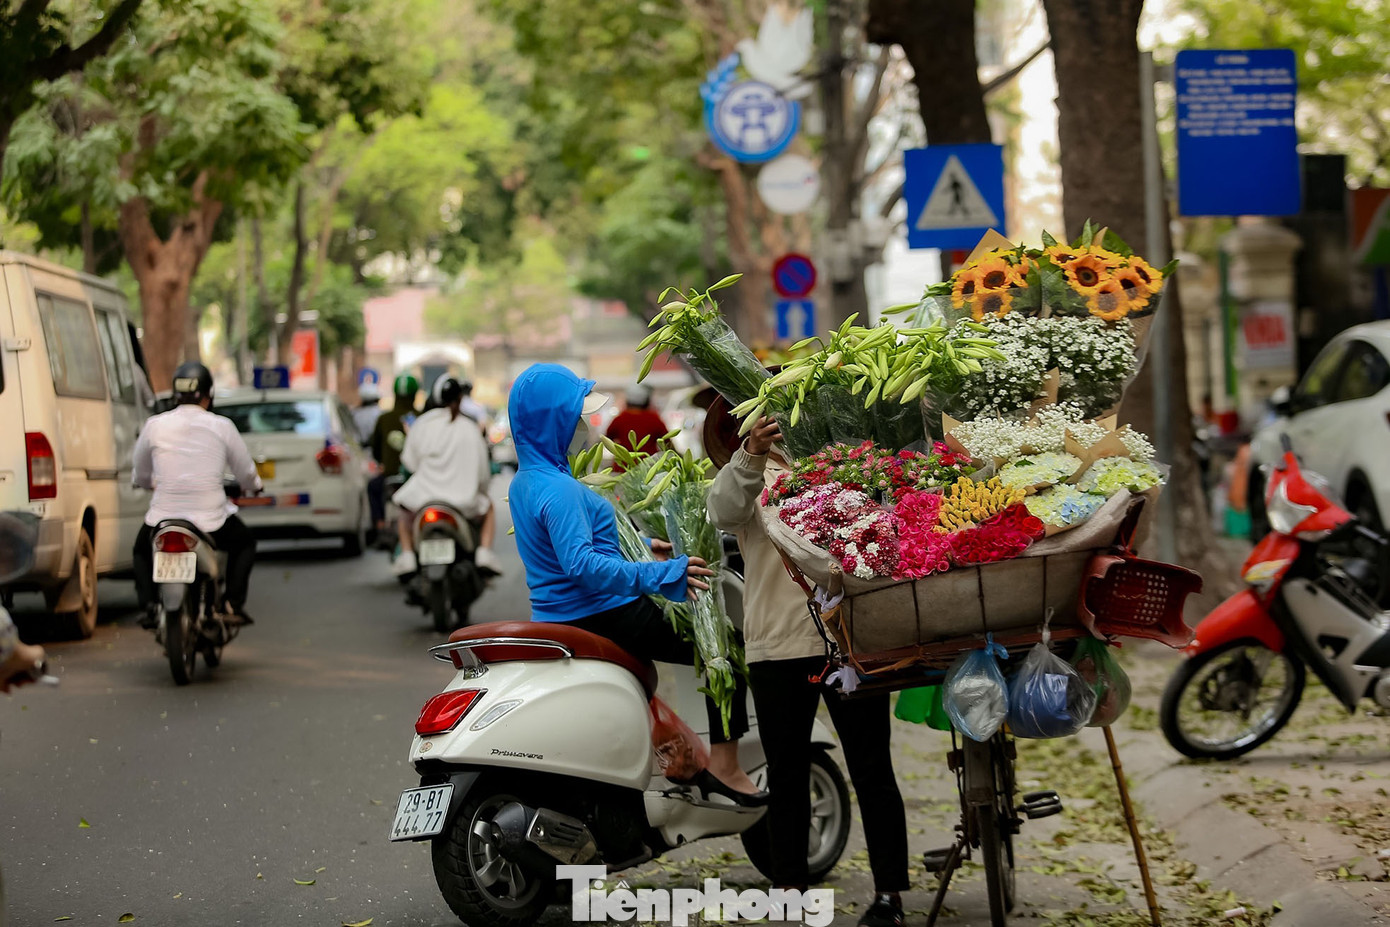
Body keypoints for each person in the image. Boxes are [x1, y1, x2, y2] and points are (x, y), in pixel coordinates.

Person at [506, 363, 766, 806]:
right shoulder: (561, 490)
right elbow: (582, 565)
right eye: (575, 417)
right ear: (553, 421)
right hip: (603, 612)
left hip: (559, 615)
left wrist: (645, 547)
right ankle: (725, 766)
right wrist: (663, 575)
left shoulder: (527, 481)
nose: (584, 426)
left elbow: (575, 548)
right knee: (725, 650)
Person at [706, 401, 910, 927]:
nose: (773, 426)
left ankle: (889, 895)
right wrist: (750, 454)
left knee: (872, 768)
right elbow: (723, 512)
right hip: (778, 645)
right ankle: (789, 889)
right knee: (787, 775)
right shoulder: (746, 472)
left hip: (850, 640)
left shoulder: (839, 457)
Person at [131, 362, 262, 628]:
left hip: (163, 519)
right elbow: (246, 472)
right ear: (208, 395)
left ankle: (148, 605)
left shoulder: (154, 425)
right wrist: (254, 485)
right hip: (211, 521)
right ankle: (232, 603)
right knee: (245, 543)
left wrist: (148, 483)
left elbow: (140, 473)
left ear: (175, 394)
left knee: (141, 551)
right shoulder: (222, 426)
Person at [390, 376, 503, 578]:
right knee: (489, 508)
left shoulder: (422, 425)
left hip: (422, 499)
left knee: (402, 512)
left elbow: (409, 463)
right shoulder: (470, 428)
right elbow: (483, 473)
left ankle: (406, 555)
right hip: (463, 502)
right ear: (460, 398)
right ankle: (484, 553)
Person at [367, 375, 420, 537]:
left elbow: (375, 448)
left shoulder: (384, 419)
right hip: (417, 476)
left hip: (389, 476)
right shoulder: (422, 418)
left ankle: (380, 524)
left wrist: (383, 462)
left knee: (372, 488)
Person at [604, 383, 668, 455]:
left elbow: (607, 439)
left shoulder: (620, 419)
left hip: (624, 461)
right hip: (650, 461)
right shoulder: (654, 419)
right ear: (647, 401)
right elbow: (667, 442)